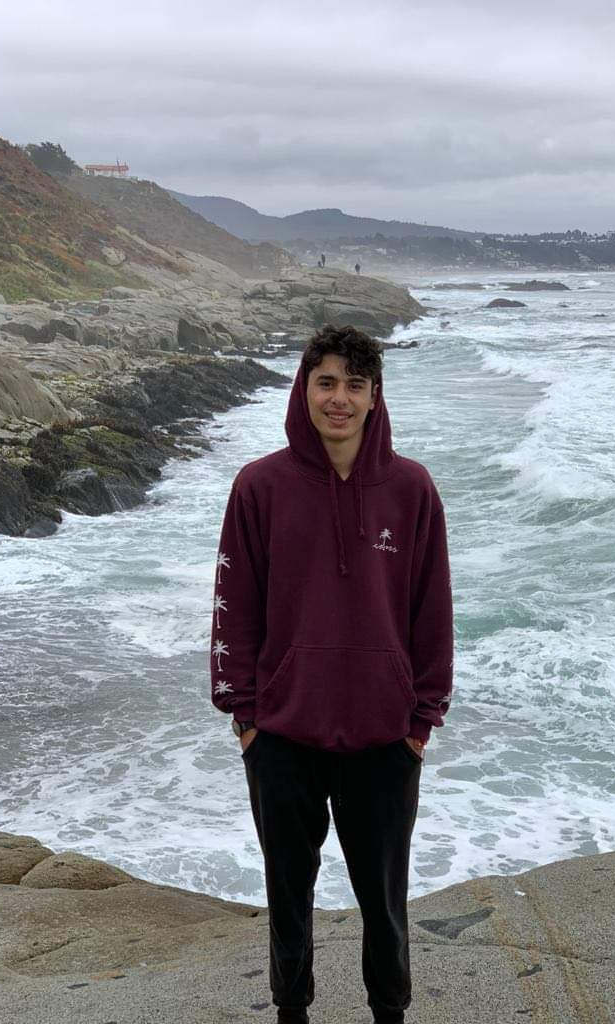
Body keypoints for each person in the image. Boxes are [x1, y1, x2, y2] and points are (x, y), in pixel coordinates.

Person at [210, 323, 454, 1024]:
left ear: (376, 396)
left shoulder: (411, 488)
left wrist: (422, 719)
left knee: (385, 900)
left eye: (354, 384)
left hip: (385, 737)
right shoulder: (260, 486)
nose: (339, 398)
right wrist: (246, 717)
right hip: (283, 735)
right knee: (288, 895)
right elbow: (234, 604)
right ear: (305, 389)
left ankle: (390, 1013)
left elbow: (432, 608)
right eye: (326, 382)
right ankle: (292, 1011)